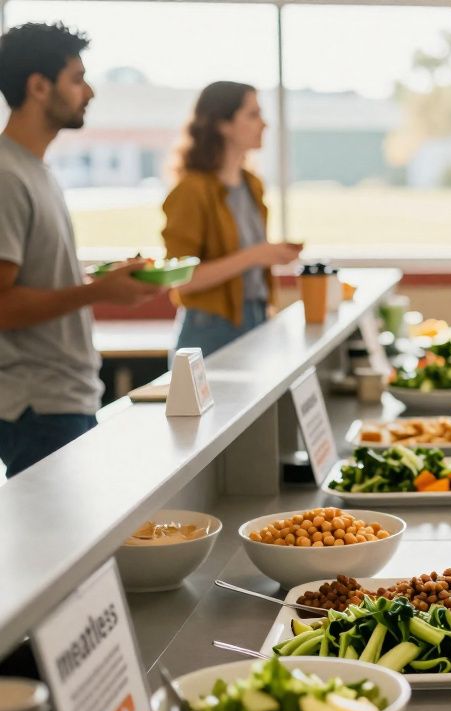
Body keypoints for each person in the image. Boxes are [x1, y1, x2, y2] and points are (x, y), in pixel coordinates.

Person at [0, 22, 161, 478]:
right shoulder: (7, 176)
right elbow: (3, 305)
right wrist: (98, 292)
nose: (89, 92)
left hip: (63, 398)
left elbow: (38, 282)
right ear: (37, 86)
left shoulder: (36, 170)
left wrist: (103, 282)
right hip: (40, 405)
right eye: (76, 78)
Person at [163, 81, 301, 357]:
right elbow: (182, 280)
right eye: (253, 114)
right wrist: (256, 255)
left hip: (257, 316)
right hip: (210, 329)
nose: (264, 124)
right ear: (222, 124)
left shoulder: (252, 185)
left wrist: (269, 254)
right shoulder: (191, 191)